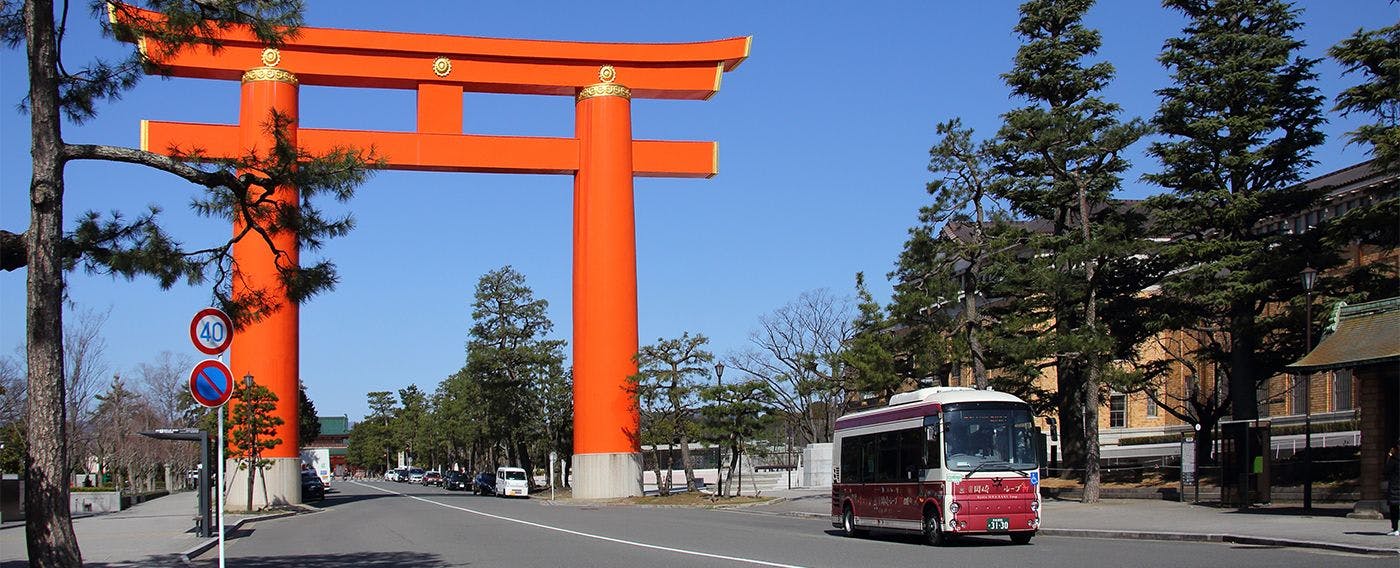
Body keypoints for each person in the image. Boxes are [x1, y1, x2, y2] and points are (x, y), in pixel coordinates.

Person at [1385, 440, 1400, 536]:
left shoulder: (1394, 459)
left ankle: (1395, 529)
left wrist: (1389, 456)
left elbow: (1386, 470)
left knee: (1394, 509)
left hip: (1395, 486)